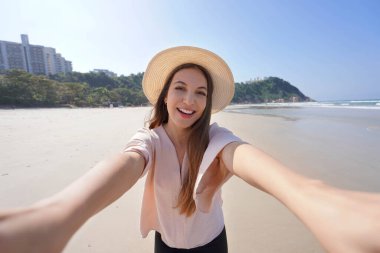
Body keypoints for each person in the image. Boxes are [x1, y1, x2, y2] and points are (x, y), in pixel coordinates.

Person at [0, 46, 379, 253]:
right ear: (165, 94)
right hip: (168, 248)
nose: (189, 99)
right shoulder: (148, 141)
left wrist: (319, 199)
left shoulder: (216, 137)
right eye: (180, 87)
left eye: (200, 92)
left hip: (214, 244)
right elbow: (126, 164)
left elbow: (242, 156)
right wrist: (59, 214)